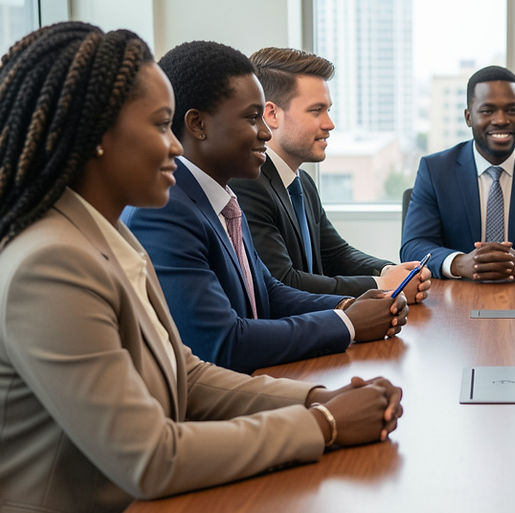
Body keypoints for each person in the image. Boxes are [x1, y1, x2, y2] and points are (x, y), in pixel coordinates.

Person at [0, 23, 403, 513]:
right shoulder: (50, 264)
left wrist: (318, 397)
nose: (173, 146)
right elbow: (150, 457)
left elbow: (185, 376)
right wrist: (325, 425)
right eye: (156, 125)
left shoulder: (108, 236)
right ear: (96, 135)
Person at [123, 41, 408, 374]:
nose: (264, 131)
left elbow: (267, 292)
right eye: (251, 118)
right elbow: (224, 343)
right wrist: (346, 322)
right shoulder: (166, 211)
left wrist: (349, 305)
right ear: (198, 125)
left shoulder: (222, 198)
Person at [228, 47, 431, 303]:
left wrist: (391, 271)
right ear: (272, 114)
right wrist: (381, 284)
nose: (329, 124)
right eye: (316, 111)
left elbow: (336, 254)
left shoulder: (302, 183)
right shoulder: (247, 184)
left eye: (328, 110)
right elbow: (283, 280)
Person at [400, 65, 515, 280]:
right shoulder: (435, 170)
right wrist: (459, 263)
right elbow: (413, 246)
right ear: (468, 117)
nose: (501, 120)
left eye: (512, 110)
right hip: (453, 299)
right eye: (488, 110)